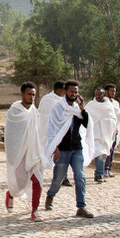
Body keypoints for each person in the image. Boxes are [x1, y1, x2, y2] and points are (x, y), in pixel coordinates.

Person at [44, 80, 95, 218]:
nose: (74, 94)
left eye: (76, 92)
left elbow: (86, 123)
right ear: (65, 91)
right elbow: (52, 128)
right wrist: (54, 147)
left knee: (80, 176)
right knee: (58, 178)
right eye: (71, 91)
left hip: (76, 148)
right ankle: (50, 196)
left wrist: (82, 108)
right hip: (63, 149)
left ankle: (81, 206)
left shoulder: (77, 109)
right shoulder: (58, 108)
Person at [4, 83, 48, 222]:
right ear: (22, 95)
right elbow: (11, 135)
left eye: (34, 95)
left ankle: (35, 210)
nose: (32, 97)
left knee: (38, 181)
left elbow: (38, 131)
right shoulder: (14, 112)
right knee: (20, 185)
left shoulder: (34, 111)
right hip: (19, 154)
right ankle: (11, 194)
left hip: (34, 152)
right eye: (29, 94)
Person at [39, 81, 73, 187]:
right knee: (58, 154)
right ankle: (60, 177)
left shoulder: (62, 100)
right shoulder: (48, 100)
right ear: (59, 90)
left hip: (63, 132)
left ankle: (63, 176)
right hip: (52, 132)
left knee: (63, 155)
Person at [85, 88, 118, 183]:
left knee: (103, 154)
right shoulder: (91, 105)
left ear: (104, 95)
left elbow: (113, 118)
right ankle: (99, 174)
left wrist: (105, 122)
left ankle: (100, 173)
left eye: (100, 94)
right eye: (96, 95)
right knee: (99, 153)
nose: (98, 96)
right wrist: (98, 121)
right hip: (96, 133)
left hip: (106, 134)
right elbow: (86, 117)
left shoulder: (109, 106)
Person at [103, 84, 120, 178]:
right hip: (105, 130)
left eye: (114, 91)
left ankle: (108, 169)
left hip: (114, 130)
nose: (113, 93)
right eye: (111, 91)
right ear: (106, 91)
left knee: (112, 150)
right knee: (105, 150)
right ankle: (102, 169)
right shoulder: (102, 102)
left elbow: (116, 115)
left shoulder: (115, 103)